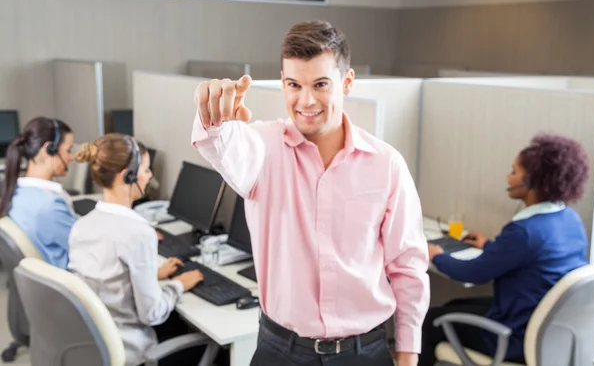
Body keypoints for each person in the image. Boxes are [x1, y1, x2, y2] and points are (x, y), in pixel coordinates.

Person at [190, 20, 430, 366]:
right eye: (293, 85)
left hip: (364, 353)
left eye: (320, 84)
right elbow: (220, 143)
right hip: (281, 352)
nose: (305, 100)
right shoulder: (262, 147)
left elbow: (407, 268)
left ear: (346, 82)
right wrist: (212, 113)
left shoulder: (387, 164)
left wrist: (407, 356)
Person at [423, 134, 590, 365]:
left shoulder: (524, 231)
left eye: (514, 172)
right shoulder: (570, 219)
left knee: (430, 320)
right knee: (452, 307)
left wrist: (436, 256)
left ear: (531, 181)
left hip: (516, 337)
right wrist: (490, 246)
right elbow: (530, 258)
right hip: (547, 329)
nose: (508, 177)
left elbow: (473, 273)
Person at [68, 133, 204, 366]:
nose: (149, 176)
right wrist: (179, 284)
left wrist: (154, 274)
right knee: (214, 350)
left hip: (93, 343)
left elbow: (107, 281)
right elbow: (153, 313)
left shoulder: (81, 226)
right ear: (128, 176)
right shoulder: (139, 233)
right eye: (146, 170)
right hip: (129, 350)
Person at [0, 117, 77, 269]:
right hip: (74, 280)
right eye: (68, 151)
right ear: (50, 149)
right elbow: (91, 248)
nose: (71, 157)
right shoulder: (50, 207)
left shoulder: (16, 192)